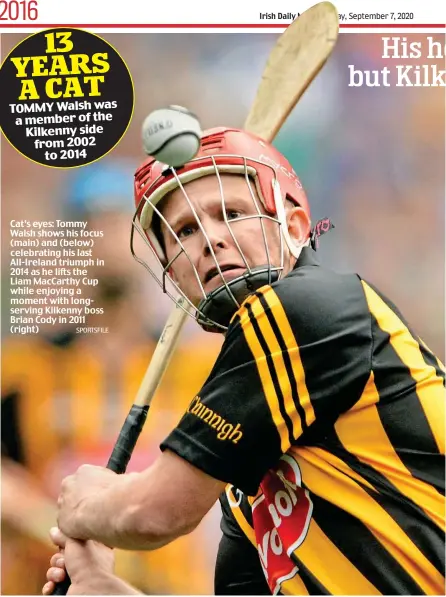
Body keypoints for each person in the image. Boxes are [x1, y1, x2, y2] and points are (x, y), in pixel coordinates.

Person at [44, 127, 445, 596]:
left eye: (230, 213)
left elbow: (153, 514)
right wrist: (104, 586)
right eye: (186, 230)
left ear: (294, 228)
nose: (210, 240)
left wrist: (86, 504)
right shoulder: (248, 480)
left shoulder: (307, 308)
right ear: (171, 272)